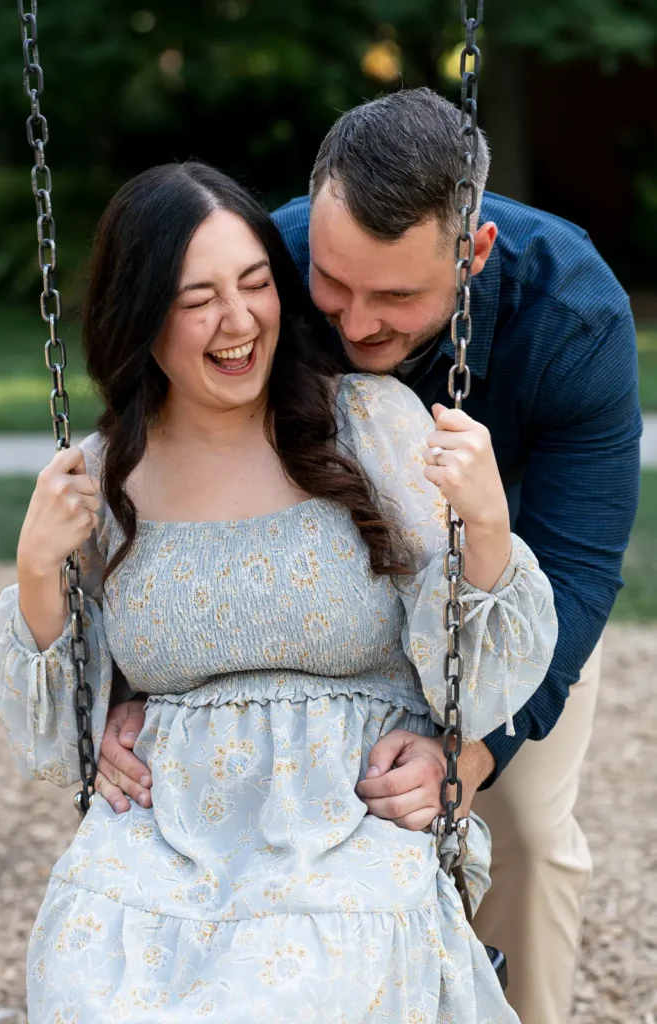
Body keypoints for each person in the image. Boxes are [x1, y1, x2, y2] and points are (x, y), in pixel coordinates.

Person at [97, 89, 642, 1023]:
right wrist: (123, 690)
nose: (352, 327)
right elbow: (167, 463)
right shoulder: (271, 264)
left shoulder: (573, 317)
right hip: (336, 596)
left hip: (501, 602)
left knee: (523, 836)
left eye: (396, 297)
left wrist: (468, 754)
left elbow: (579, 568)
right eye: (334, 286)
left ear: (470, 256)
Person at [0, 161, 557, 1022]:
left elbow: (472, 680)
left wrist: (482, 528)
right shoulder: (105, 477)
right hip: (168, 826)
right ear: (140, 317)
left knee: (292, 993)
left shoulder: (368, 423)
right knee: (80, 982)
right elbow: (60, 728)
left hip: (349, 813)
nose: (238, 320)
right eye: (197, 298)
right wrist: (39, 569)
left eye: (255, 284)